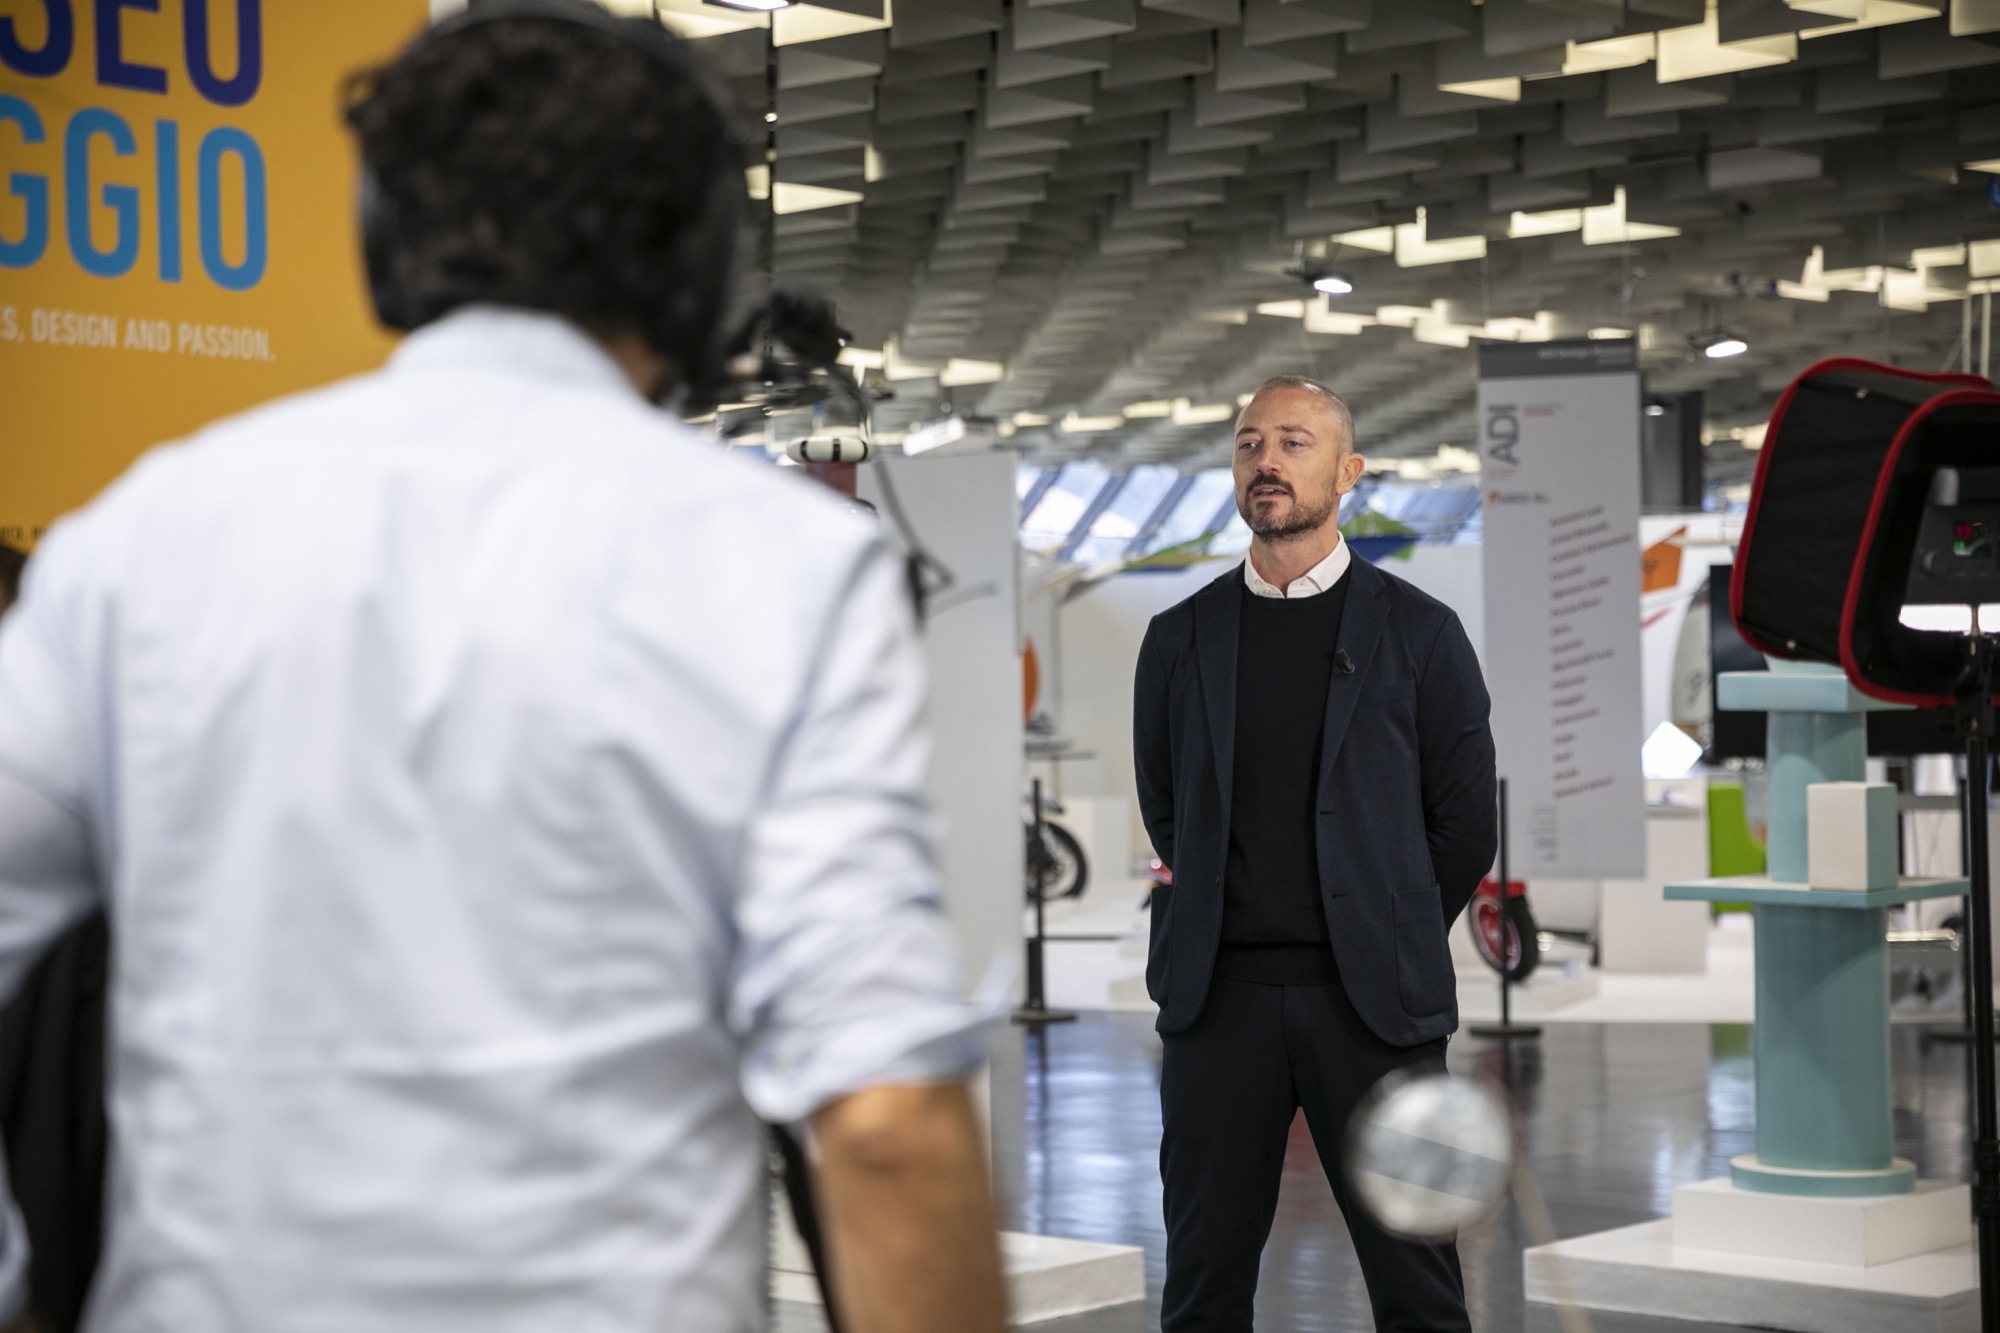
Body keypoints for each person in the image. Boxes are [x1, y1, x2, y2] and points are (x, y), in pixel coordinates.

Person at [0, 6, 1006, 1332]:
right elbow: (882, 1123)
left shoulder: (141, 538)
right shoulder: (781, 567)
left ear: (384, 241)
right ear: (698, 267)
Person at [1132, 375, 1497, 1331]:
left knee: (1420, 1290)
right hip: (1219, 1007)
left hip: (1373, 1011)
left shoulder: (1421, 632)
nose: (1267, 461)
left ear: (1348, 471)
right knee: (1203, 1288)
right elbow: (1168, 809)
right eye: (1250, 442)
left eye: (1294, 442)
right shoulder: (1178, 639)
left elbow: (1465, 823)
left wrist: (1389, 927)